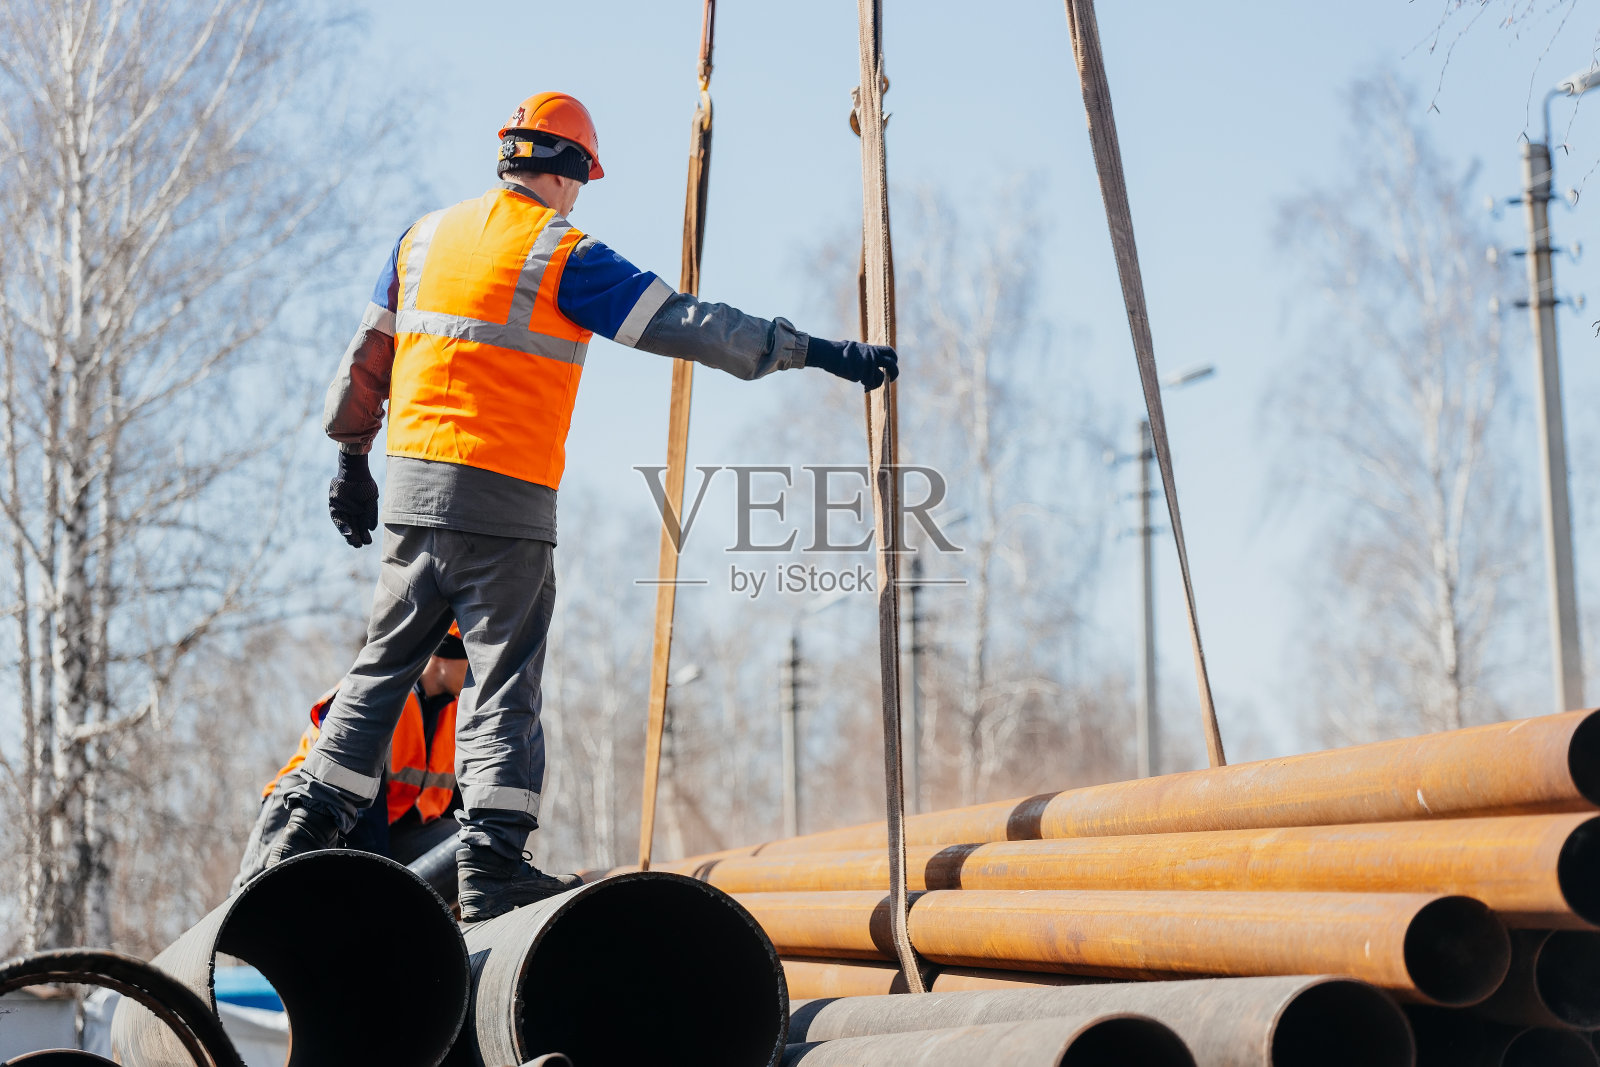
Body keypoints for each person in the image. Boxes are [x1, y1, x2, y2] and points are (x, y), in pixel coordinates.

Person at [271, 91, 899, 922]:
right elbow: (687, 323)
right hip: (506, 502)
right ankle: (492, 866)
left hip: (413, 494)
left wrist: (352, 460)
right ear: (568, 175)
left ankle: (296, 837)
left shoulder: (422, 238)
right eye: (582, 182)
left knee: (381, 666)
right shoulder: (560, 252)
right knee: (504, 679)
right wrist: (811, 349)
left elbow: (365, 362)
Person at [233, 626, 469, 891]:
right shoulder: (379, 693)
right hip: (302, 802)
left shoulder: (458, 717)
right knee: (255, 898)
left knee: (470, 846)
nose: (481, 672)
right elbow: (361, 805)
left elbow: (456, 809)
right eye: (474, 660)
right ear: (442, 655)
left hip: (383, 829)